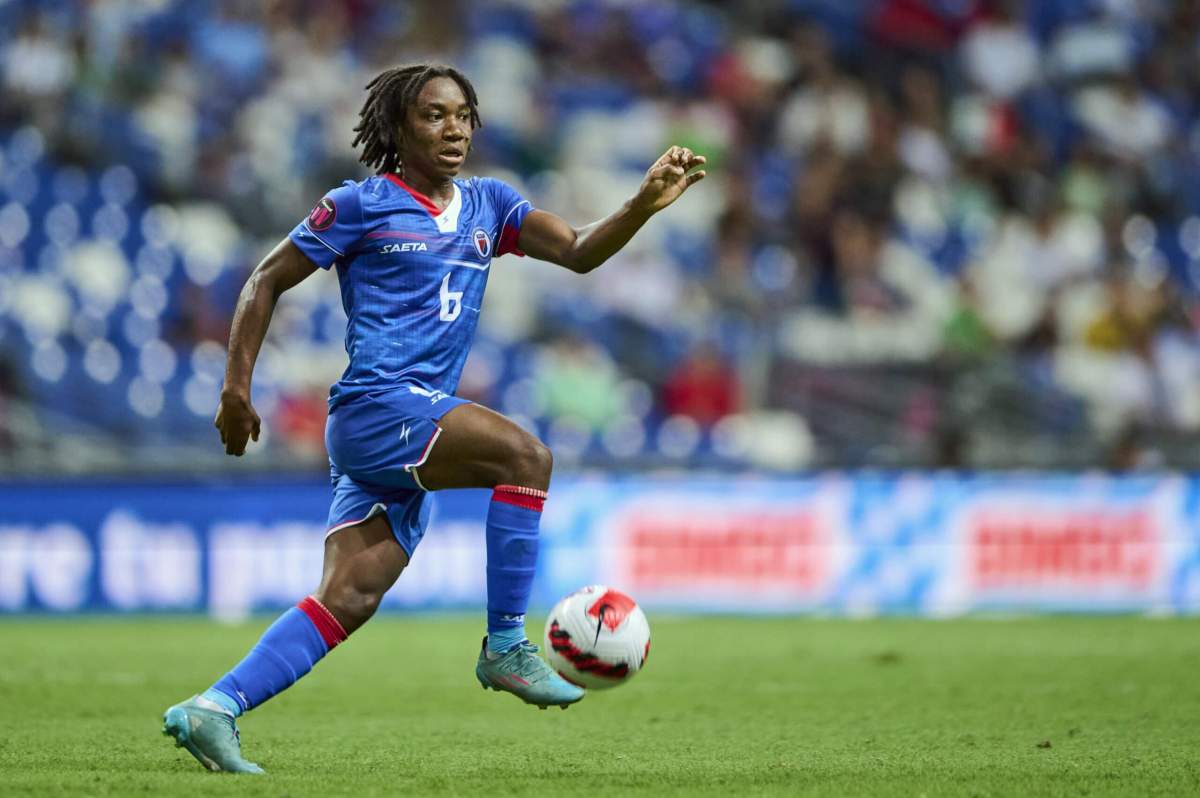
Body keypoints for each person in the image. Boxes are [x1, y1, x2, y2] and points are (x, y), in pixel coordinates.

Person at [161, 63, 706, 774]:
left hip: (410, 426)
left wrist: (640, 204)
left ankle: (212, 708)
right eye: (434, 115)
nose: (454, 130)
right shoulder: (358, 205)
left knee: (350, 596)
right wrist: (236, 388)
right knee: (527, 459)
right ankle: (505, 646)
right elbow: (266, 279)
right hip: (376, 408)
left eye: (464, 115)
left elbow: (574, 251)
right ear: (396, 128)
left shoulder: (491, 206)